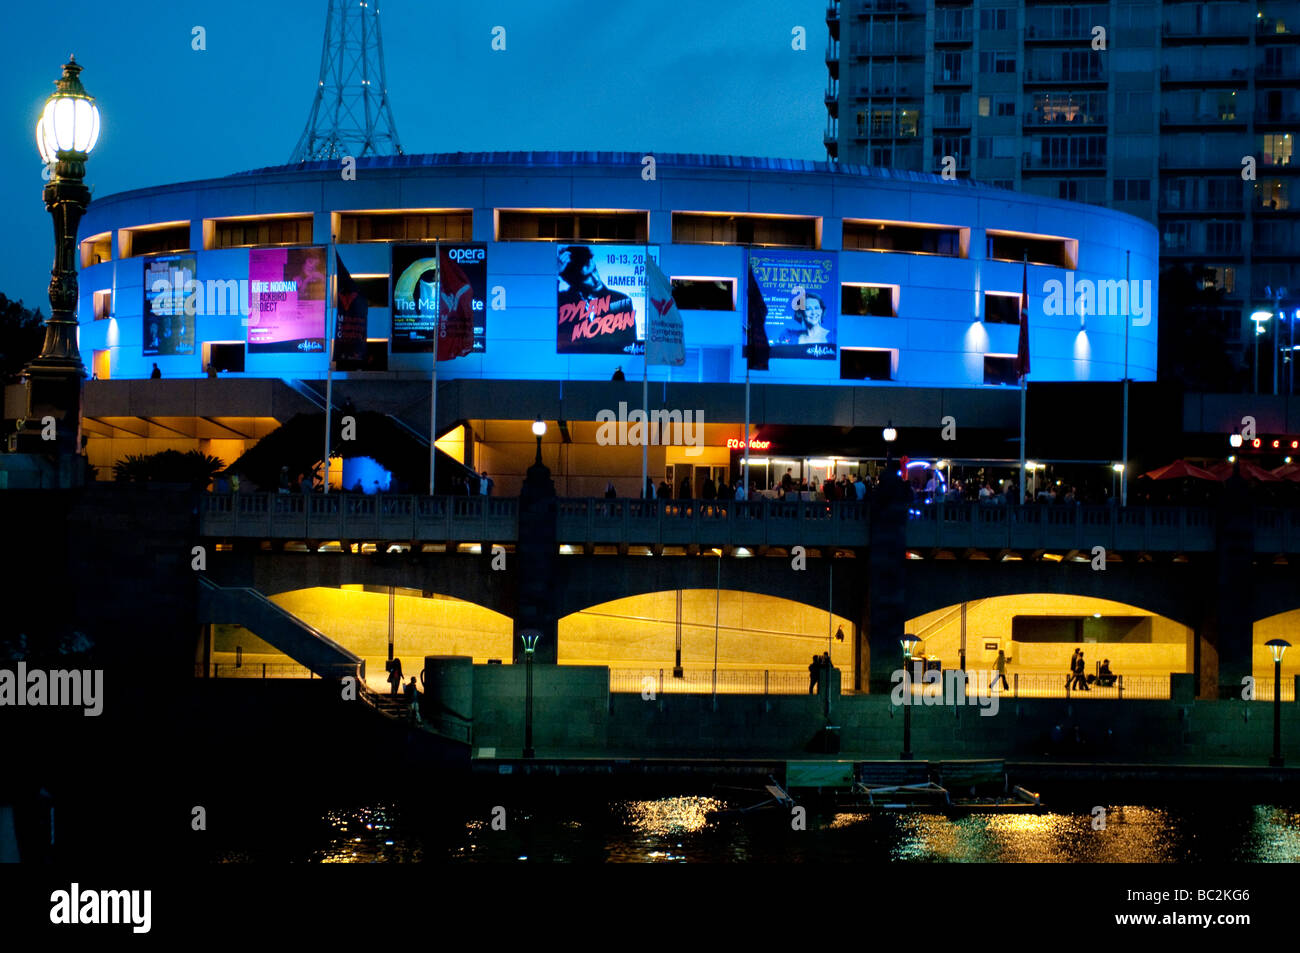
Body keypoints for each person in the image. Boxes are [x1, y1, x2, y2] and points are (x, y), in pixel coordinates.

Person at [557, 246, 636, 353]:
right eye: (587, 277)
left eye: (595, 270)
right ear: (574, 280)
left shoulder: (622, 301)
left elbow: (630, 348)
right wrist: (555, 273)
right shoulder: (563, 302)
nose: (596, 279)